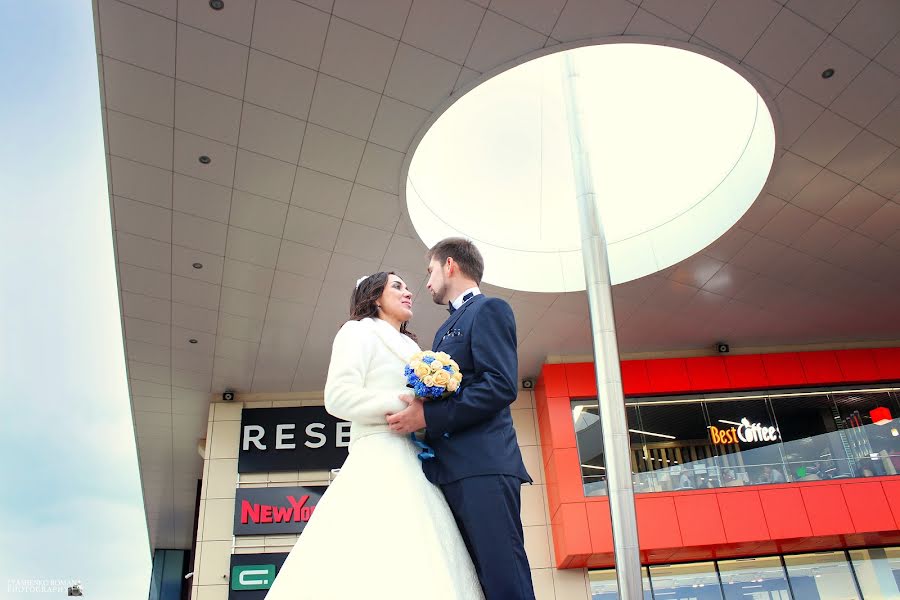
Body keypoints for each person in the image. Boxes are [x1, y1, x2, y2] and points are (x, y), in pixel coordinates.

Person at [264, 272, 483, 600]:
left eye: (408, 287)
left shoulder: (414, 347)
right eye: (397, 286)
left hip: (417, 457)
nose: (408, 292)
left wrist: (428, 414)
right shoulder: (358, 331)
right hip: (379, 453)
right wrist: (404, 406)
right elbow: (338, 397)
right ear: (374, 296)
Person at [387, 238, 536, 600]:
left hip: (483, 465)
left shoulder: (490, 309)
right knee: (476, 584)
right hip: (451, 470)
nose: (426, 283)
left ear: (449, 265)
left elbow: (499, 386)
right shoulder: (444, 329)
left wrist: (428, 415)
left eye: (430, 271)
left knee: (504, 578)